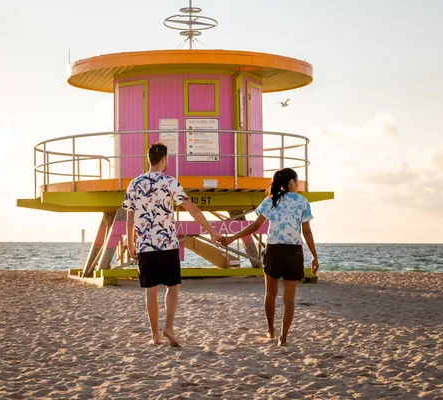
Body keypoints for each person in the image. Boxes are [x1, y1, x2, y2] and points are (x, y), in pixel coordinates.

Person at [123, 142, 221, 347]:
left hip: (145, 245)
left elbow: (130, 218)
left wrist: (130, 243)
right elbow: (192, 209)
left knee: (151, 290)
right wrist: (211, 231)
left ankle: (155, 336)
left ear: (148, 159)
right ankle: (169, 327)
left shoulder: (134, 184)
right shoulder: (170, 182)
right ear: (164, 160)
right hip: (167, 242)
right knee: (173, 286)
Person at [220, 168, 319, 346]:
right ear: (291, 183)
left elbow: (255, 226)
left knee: (270, 294)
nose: (298, 185)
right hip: (294, 251)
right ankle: (284, 338)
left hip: (274, 250)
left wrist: (232, 238)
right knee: (289, 299)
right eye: (297, 181)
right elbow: (307, 232)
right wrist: (314, 256)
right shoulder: (303, 202)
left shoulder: (270, 200)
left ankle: (271, 331)